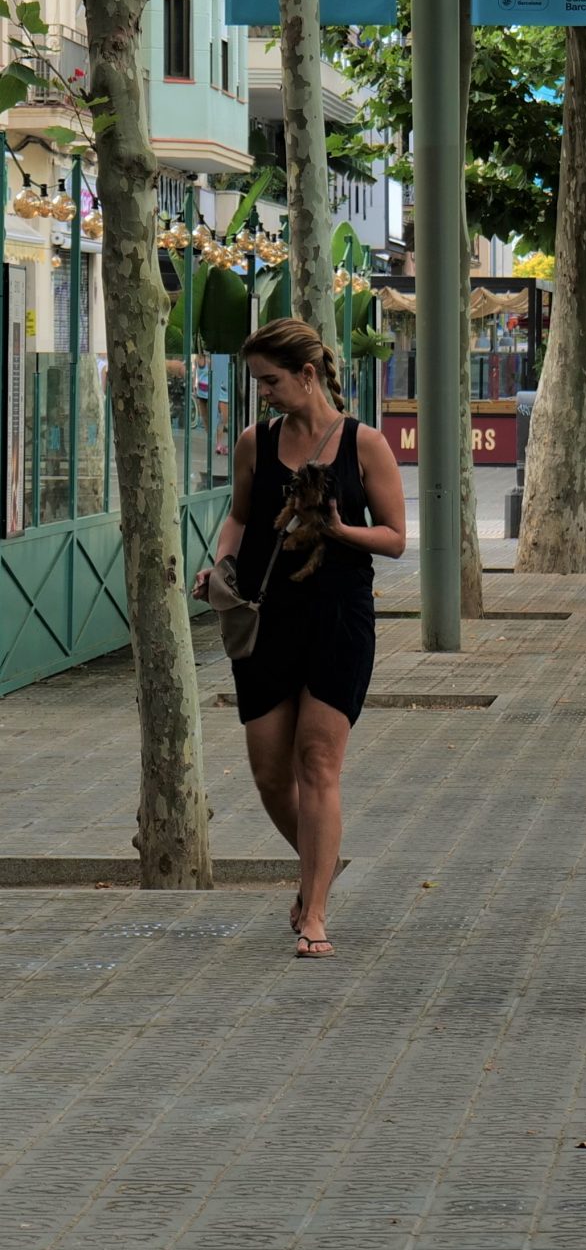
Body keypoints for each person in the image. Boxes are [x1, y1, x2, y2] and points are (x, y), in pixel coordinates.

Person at [192, 319, 406, 960]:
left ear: (307, 375)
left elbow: (395, 538)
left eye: (271, 381)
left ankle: (313, 912)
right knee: (268, 772)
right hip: (266, 618)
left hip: (339, 617)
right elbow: (238, 516)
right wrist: (219, 564)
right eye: (259, 382)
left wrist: (341, 531)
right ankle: (322, 859)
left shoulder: (364, 445)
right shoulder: (256, 442)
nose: (263, 394)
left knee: (317, 762)